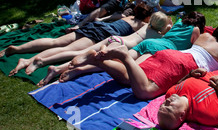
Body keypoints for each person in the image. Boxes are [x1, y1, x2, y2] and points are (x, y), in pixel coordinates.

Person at [71, 23, 218, 100]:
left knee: (128, 78)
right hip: (183, 63)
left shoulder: (205, 36)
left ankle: (98, 60)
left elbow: (210, 31)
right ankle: (124, 56)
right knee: (144, 91)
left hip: (169, 54)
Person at [52, 12, 206, 86]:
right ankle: (89, 65)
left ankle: (72, 69)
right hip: (164, 48)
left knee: (118, 60)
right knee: (129, 74)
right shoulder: (196, 30)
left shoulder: (177, 23)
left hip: (150, 42)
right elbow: (194, 46)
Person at [3, 3, 153, 76]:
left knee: (55, 41)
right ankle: (29, 61)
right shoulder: (143, 25)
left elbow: (106, 18)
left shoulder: (125, 16)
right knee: (66, 50)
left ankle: (18, 49)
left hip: (95, 27)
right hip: (102, 34)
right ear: (147, 17)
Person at [35, 12, 172, 85]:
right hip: (122, 45)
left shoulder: (145, 25)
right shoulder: (157, 36)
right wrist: (168, 26)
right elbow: (167, 35)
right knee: (98, 62)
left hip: (115, 38)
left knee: (79, 52)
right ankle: (58, 69)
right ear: (162, 27)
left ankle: (45, 61)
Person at [67, 0, 151, 32]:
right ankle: (80, 24)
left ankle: (99, 21)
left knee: (123, 16)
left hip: (131, 6)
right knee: (104, 9)